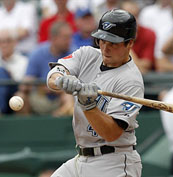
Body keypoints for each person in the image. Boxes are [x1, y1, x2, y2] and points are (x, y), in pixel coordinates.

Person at [47, 9, 144, 177]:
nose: (105, 48)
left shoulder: (131, 81)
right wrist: (61, 80)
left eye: (113, 43)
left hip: (114, 162)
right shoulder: (87, 54)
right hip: (81, 158)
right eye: (102, 40)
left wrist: (89, 106)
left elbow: (111, 133)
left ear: (129, 43)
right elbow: (53, 74)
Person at [18, 21, 75, 116]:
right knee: (20, 96)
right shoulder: (37, 53)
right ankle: (26, 128)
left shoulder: (74, 54)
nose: (69, 41)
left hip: (61, 97)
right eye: (65, 38)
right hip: (39, 97)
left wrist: (53, 87)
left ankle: (58, 122)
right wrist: (35, 84)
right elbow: (25, 84)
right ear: (54, 38)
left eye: (70, 37)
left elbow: (76, 85)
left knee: (69, 97)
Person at [0, 28, 28, 115]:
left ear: (14, 43)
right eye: (1, 42)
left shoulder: (23, 61)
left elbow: (24, 85)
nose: (4, 45)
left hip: (15, 95)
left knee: (1, 72)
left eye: (8, 41)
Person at [121, 0, 156, 74]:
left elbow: (146, 65)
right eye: (128, 17)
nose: (133, 21)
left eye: (136, 16)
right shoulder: (113, 33)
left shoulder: (148, 33)